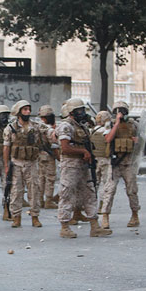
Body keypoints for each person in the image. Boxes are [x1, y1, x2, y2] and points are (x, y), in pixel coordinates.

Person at [55, 98, 112, 239]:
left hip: (84, 165)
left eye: (82, 110)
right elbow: (65, 147)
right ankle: (65, 226)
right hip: (70, 165)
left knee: (90, 193)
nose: (81, 113)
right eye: (78, 110)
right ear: (72, 112)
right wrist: (83, 152)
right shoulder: (66, 126)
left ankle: (95, 226)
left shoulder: (82, 126)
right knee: (67, 194)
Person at [99, 101, 140, 229]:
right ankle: (105, 216)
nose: (120, 113)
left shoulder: (133, 125)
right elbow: (108, 139)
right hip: (115, 162)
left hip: (128, 163)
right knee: (109, 190)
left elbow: (142, 142)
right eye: (118, 111)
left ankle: (135, 215)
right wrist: (116, 123)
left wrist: (136, 141)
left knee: (132, 190)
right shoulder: (109, 124)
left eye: (122, 111)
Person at [3, 100, 42, 228]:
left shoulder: (35, 126)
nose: (28, 112)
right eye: (24, 109)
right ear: (19, 112)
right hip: (16, 163)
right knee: (16, 191)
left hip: (31, 163)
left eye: (28, 109)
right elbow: (6, 148)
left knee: (34, 190)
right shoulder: (10, 128)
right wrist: (6, 166)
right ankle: (16, 217)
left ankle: (35, 216)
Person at [36, 105, 59, 209]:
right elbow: (54, 143)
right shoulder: (49, 129)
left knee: (41, 177)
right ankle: (48, 200)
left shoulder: (37, 126)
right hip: (49, 155)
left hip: (40, 155)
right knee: (50, 178)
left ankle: (40, 200)